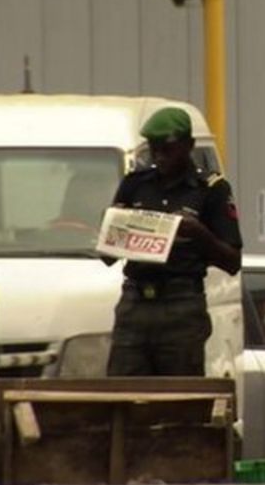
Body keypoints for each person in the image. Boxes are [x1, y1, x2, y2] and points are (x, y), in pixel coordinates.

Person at [104, 107, 243, 377]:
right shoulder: (136, 184)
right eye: (153, 149)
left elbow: (232, 261)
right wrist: (111, 233)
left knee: (180, 399)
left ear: (188, 146)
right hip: (135, 301)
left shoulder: (210, 190)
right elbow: (109, 257)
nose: (159, 157)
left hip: (181, 303)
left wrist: (199, 233)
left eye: (167, 149)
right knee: (122, 392)